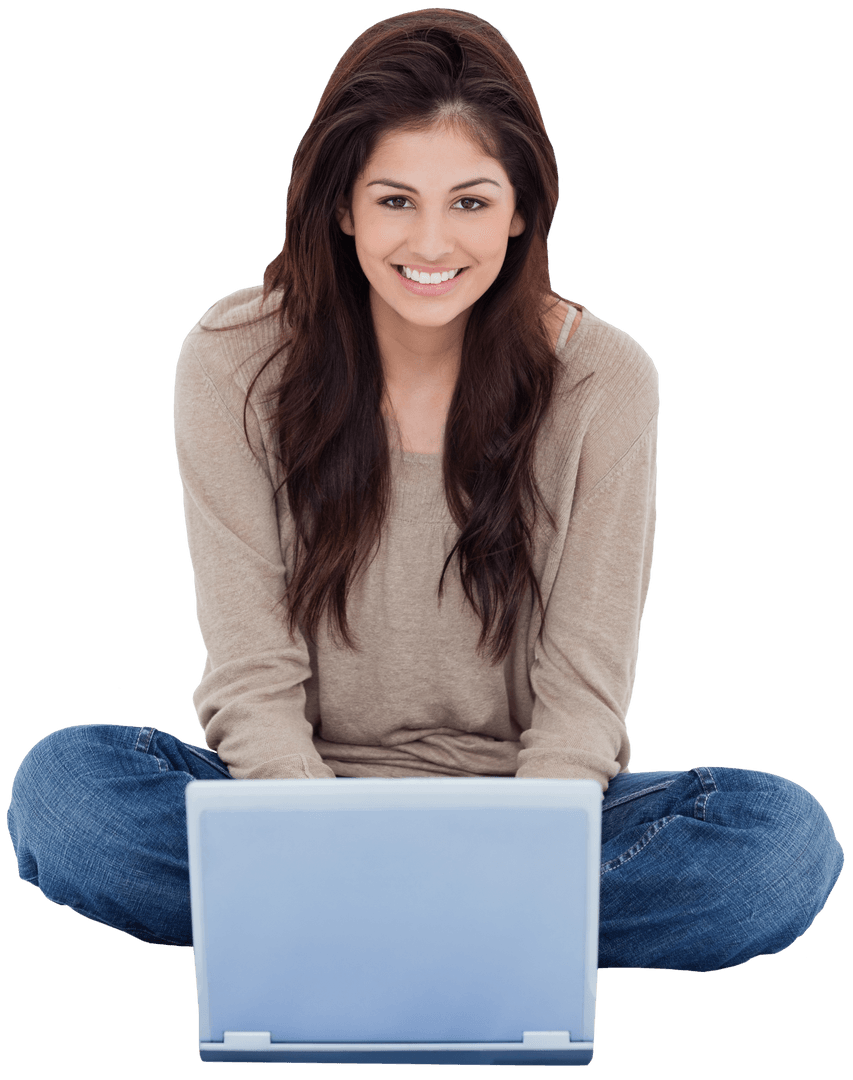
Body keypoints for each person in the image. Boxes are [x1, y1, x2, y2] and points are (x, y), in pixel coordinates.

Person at [6, 8, 843, 970]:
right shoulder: (235, 358)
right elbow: (250, 674)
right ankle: (475, 939)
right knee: (68, 796)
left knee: (776, 852)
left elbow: (581, 699)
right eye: (396, 200)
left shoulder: (604, 380)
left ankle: (336, 931)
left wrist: (524, 853)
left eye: (471, 202)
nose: (433, 242)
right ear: (343, 207)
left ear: (521, 210)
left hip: (526, 812)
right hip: (289, 801)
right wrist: (313, 839)